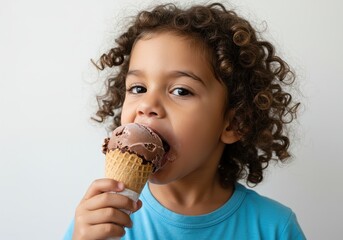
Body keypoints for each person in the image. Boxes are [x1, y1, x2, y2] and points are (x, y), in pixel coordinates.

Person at [64, 2, 306, 239]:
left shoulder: (274, 228)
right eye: (138, 88)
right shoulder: (101, 221)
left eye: (181, 91)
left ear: (233, 123)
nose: (147, 105)